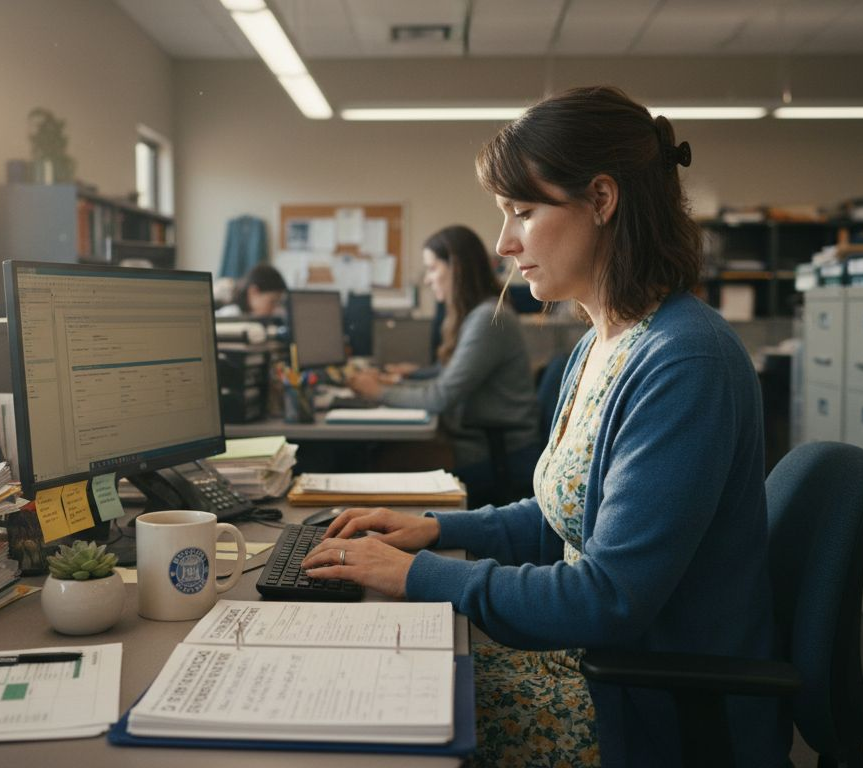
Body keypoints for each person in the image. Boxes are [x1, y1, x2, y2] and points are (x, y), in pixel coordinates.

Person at [302, 86, 783, 767]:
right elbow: (564, 519)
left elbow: (608, 598)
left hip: (647, 707)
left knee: (372, 714)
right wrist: (437, 531)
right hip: (594, 666)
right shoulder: (600, 342)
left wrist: (417, 575)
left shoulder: (685, 361)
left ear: (602, 200)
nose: (503, 242)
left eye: (522, 212)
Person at [346, 225, 539, 506]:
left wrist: (378, 392)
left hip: (496, 452)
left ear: (456, 269)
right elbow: (445, 380)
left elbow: (441, 396)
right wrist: (396, 384)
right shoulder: (476, 314)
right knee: (381, 454)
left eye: (432, 268)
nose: (427, 279)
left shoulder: (488, 318)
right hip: (481, 441)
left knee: (378, 461)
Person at [215, 263, 287, 318]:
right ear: (254, 292)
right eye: (272, 302)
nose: (275, 310)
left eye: (278, 303)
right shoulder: (230, 316)